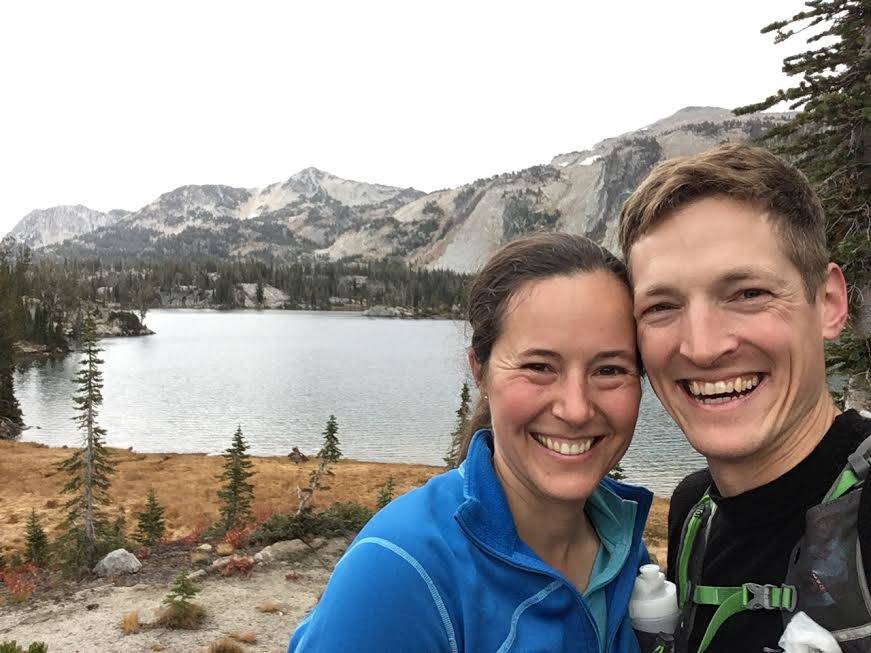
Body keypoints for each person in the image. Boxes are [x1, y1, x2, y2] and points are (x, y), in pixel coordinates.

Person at [289, 233, 653, 652]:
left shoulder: (625, 549)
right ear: (480, 372)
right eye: (538, 367)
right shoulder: (401, 568)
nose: (576, 409)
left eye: (609, 370)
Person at [617, 143, 871, 653]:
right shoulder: (696, 509)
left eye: (748, 293)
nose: (704, 347)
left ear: (828, 304)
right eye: (662, 306)